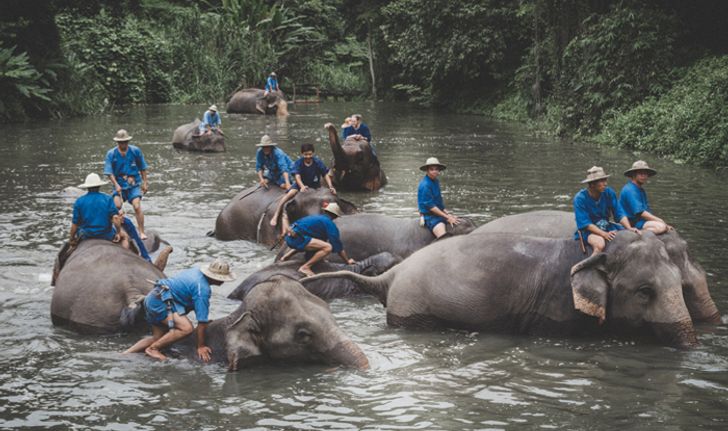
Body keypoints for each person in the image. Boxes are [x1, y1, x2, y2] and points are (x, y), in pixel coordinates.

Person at [124, 259, 236, 361]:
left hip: (154, 297)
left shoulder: (196, 271)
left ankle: (125, 354)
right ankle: (153, 349)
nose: (223, 281)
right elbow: (202, 321)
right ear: (214, 277)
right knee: (186, 328)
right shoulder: (202, 289)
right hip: (161, 303)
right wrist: (201, 346)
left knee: (158, 338)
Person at [574, 166, 640, 255]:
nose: (605, 184)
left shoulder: (608, 192)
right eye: (602, 181)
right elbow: (585, 223)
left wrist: (629, 228)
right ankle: (593, 265)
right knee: (600, 244)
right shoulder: (580, 198)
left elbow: (619, 213)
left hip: (606, 225)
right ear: (592, 184)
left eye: (605, 180)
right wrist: (604, 234)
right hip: (589, 231)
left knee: (631, 235)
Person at [270, 143, 336, 231]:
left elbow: (325, 175)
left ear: (313, 153)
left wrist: (331, 186)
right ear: (302, 154)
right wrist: (301, 187)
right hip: (300, 185)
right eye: (306, 154)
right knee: (288, 195)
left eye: (310, 154)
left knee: (329, 196)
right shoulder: (299, 163)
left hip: (315, 186)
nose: (308, 156)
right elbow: (297, 176)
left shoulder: (317, 162)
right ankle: (276, 214)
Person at [279, 203, 355, 277]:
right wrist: (347, 261)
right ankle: (305, 267)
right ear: (335, 216)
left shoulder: (316, 218)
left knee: (314, 241)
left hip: (289, 238)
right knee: (328, 247)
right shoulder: (329, 223)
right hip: (297, 240)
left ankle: (286, 257)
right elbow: (337, 245)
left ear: (325, 211)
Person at [104, 129, 150, 239]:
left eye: (125, 142)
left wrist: (145, 183)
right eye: (121, 142)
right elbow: (109, 172)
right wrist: (116, 185)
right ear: (117, 142)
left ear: (128, 142)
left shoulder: (135, 151)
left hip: (133, 185)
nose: (123, 144)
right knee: (116, 206)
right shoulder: (111, 154)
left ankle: (141, 231)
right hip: (119, 185)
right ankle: (117, 231)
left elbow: (143, 168)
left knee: (137, 206)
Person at [69, 173, 129, 249]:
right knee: (125, 237)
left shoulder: (79, 201)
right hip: (106, 234)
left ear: (87, 187)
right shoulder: (107, 199)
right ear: (99, 186)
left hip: (86, 235)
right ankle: (124, 253)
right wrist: (118, 232)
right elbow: (116, 218)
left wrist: (72, 238)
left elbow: (75, 224)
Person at [619, 160, 671, 234]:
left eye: (645, 174)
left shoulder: (640, 190)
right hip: (632, 222)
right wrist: (661, 221)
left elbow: (647, 210)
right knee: (661, 227)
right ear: (634, 175)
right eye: (640, 173)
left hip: (641, 221)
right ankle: (636, 233)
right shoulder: (630, 190)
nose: (644, 176)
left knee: (663, 226)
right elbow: (641, 213)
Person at [417, 157, 460, 239]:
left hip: (439, 214)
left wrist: (448, 214)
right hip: (430, 217)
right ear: (427, 170)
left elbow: (438, 202)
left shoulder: (435, 181)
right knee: (444, 238)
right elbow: (431, 207)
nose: (435, 171)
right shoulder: (425, 185)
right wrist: (447, 217)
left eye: (436, 169)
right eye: (432, 169)